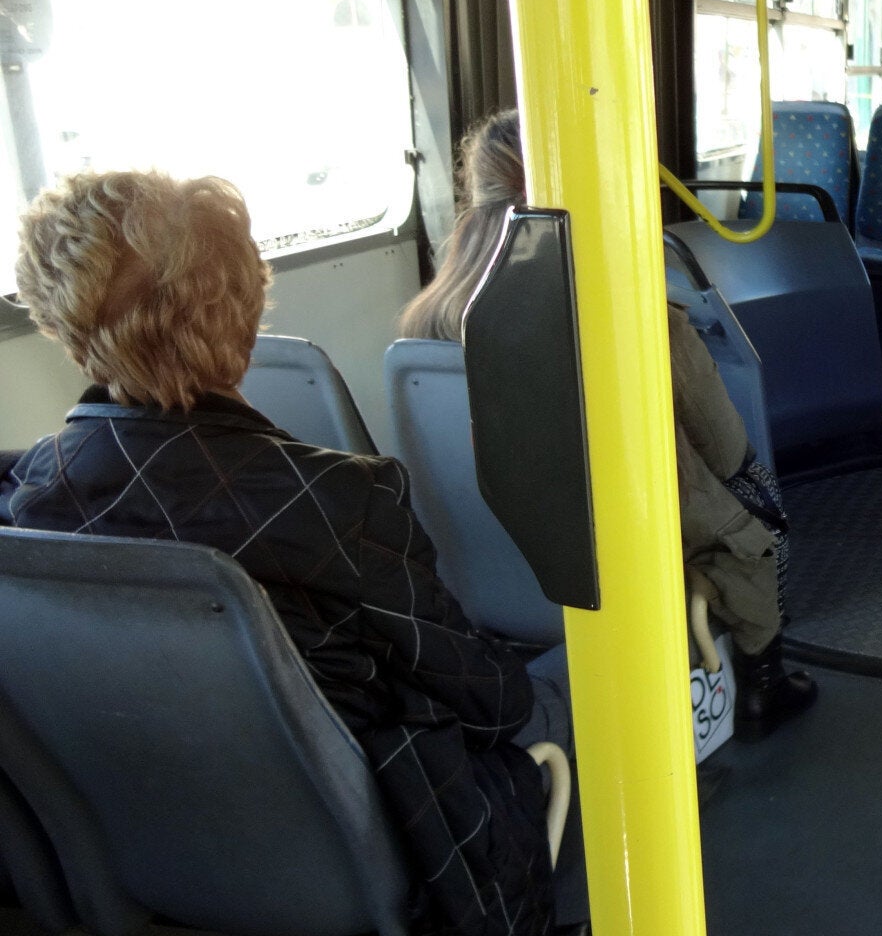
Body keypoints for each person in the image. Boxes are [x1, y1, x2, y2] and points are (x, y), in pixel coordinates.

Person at [0, 170, 564, 936]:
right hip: (380, 854)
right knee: (573, 685)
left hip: (149, 855)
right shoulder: (340, 498)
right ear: (244, 310)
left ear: (62, 319)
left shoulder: (27, 502)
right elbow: (494, 704)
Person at [401, 110, 817, 736]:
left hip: (480, 569)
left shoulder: (423, 327)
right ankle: (762, 682)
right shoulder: (639, 319)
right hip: (613, 563)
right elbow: (726, 446)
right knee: (752, 511)